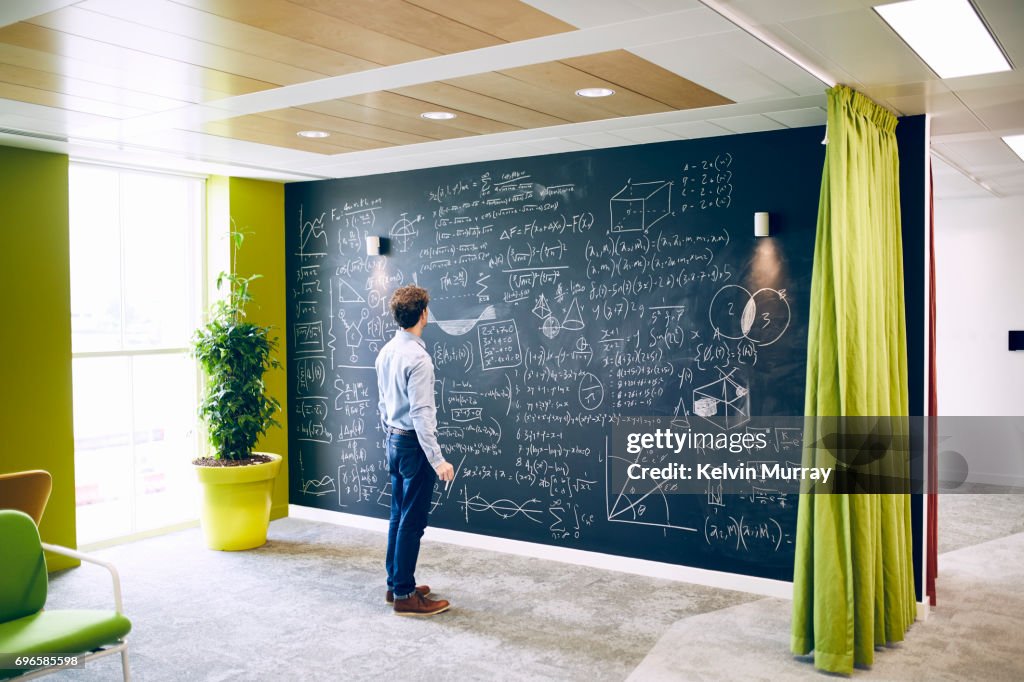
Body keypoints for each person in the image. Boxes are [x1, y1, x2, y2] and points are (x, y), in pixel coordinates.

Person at [375, 285, 455, 616]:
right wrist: (437, 460)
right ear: (423, 314)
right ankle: (407, 596)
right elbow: (422, 415)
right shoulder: (418, 359)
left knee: (398, 515)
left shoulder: (387, 352)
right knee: (412, 521)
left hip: (394, 440)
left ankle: (397, 584)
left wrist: (392, 435)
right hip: (413, 444)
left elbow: (383, 403)